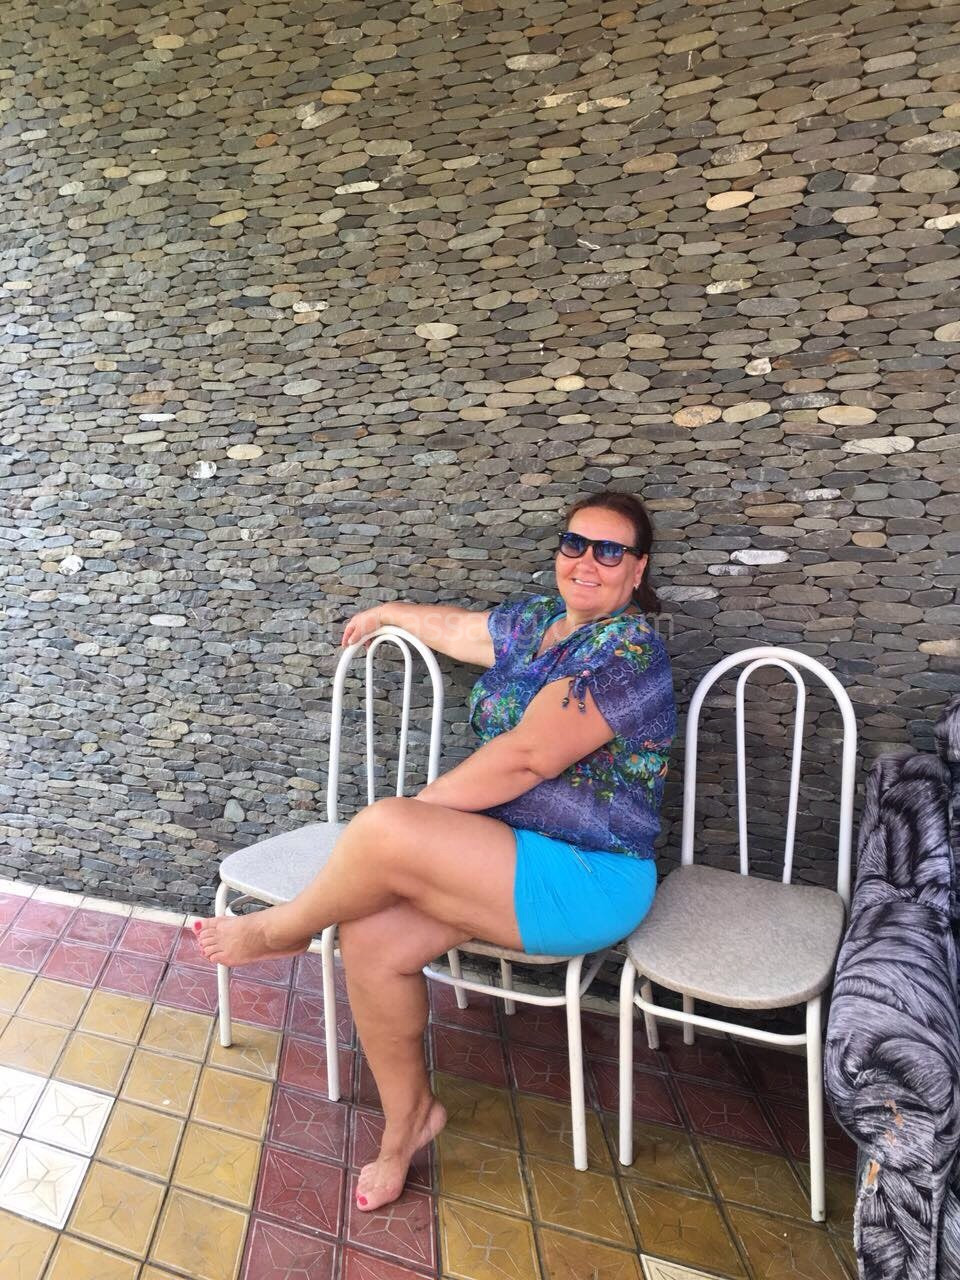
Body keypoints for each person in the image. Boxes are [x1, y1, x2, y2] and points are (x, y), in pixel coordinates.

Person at [197, 489, 677, 1213]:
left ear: (637, 570)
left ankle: (280, 931)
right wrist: (389, 613)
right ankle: (409, 1122)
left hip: (588, 874)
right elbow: (457, 630)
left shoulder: (629, 650)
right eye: (575, 544)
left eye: (610, 551)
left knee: (387, 827)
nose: (587, 561)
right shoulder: (538, 624)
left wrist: (414, 821)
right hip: (501, 854)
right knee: (370, 940)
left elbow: (525, 758)